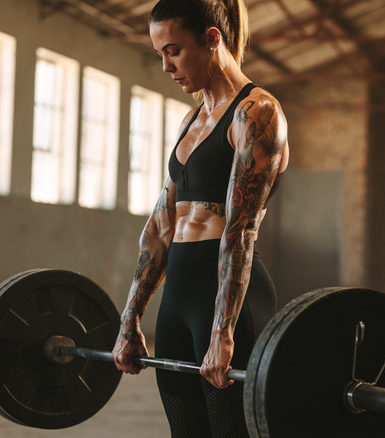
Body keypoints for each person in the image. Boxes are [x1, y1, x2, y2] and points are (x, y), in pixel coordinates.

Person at [112, 0, 289, 436]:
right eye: (160, 55)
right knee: (186, 432)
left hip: (228, 301)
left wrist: (223, 331)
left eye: (173, 50)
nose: (167, 66)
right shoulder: (191, 121)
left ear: (212, 39)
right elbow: (159, 226)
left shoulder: (257, 113)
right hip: (179, 302)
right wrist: (130, 316)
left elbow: (240, 230)